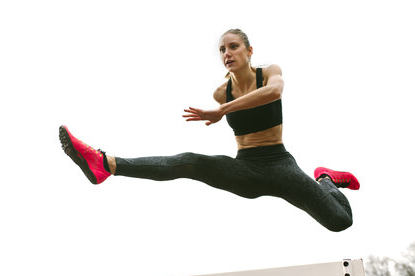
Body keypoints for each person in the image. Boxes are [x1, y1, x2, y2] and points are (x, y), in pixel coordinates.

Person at [59, 28, 359, 232]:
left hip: (280, 165)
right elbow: (227, 106)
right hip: (248, 170)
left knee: (340, 220)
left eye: (233, 46)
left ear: (249, 50)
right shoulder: (221, 92)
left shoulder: (268, 73)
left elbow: (274, 93)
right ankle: (106, 164)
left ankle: (326, 178)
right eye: (221, 50)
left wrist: (222, 112)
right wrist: (222, 106)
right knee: (192, 162)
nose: (227, 53)